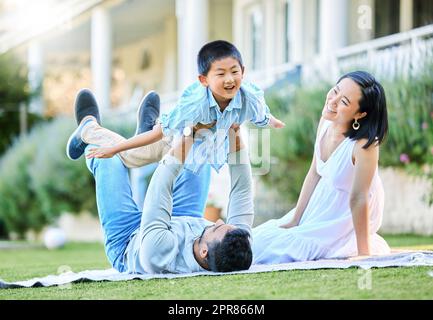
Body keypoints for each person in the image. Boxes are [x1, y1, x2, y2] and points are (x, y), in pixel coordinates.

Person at [66, 90, 254, 273]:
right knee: (199, 151)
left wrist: (189, 134)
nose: (219, 220)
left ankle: (89, 129)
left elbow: (160, 187)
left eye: (217, 227)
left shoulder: (158, 251)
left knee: (105, 158)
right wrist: (234, 132)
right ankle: (147, 138)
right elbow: (242, 190)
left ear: (204, 252)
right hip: (184, 218)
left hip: (128, 239)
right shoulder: (238, 244)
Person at [85, 40, 285, 174]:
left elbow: (262, 116)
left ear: (243, 71)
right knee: (130, 158)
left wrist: (275, 123)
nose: (230, 79)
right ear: (204, 80)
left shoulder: (250, 98)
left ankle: (151, 123)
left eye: (234, 71)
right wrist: (114, 149)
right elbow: (159, 135)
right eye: (221, 74)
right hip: (175, 139)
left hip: (199, 149)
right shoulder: (196, 106)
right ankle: (89, 128)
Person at [252, 71, 391, 264]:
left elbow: (359, 197)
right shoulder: (327, 121)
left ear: (360, 114)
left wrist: (364, 253)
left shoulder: (364, 144)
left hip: (344, 217)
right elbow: (314, 172)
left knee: (277, 252)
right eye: (335, 91)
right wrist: (296, 219)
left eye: (344, 102)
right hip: (322, 204)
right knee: (260, 238)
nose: (333, 101)